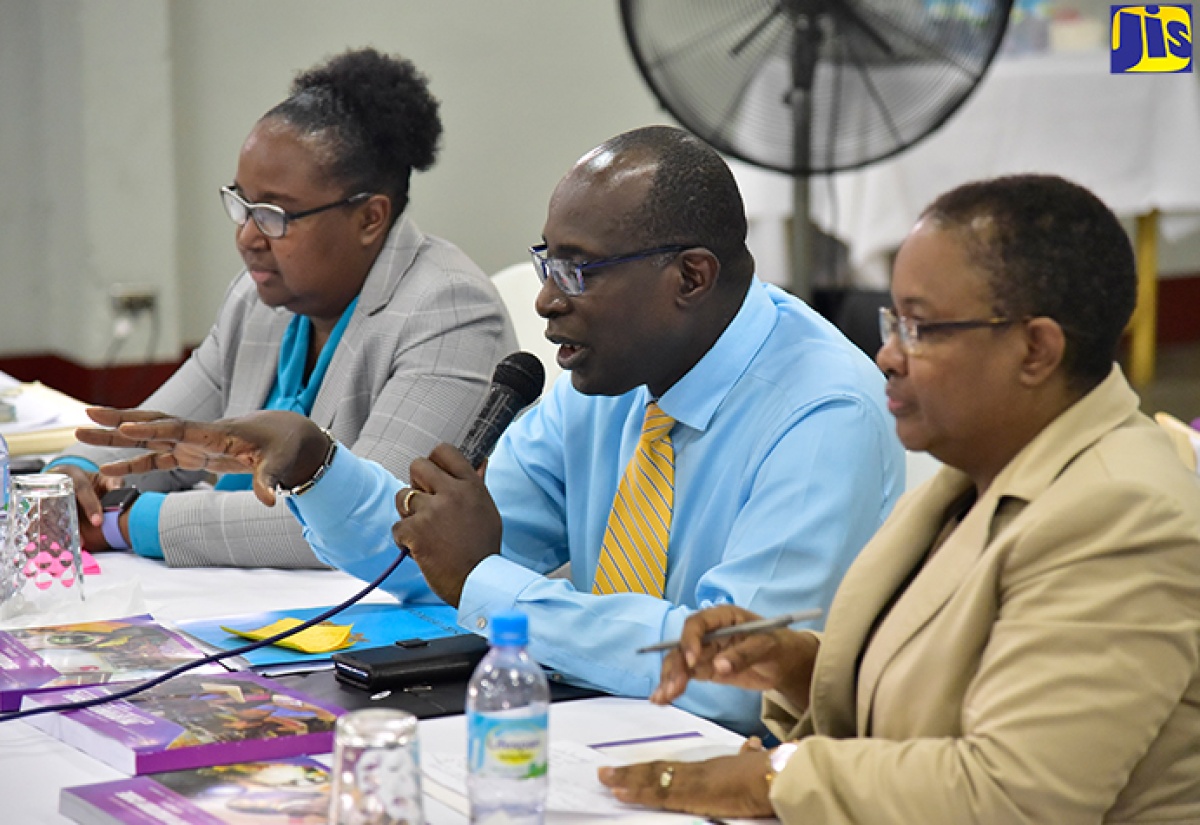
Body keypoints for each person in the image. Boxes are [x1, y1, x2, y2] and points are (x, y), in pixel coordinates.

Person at [78, 125, 904, 732]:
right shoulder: (607, 380)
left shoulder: (820, 413)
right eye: (547, 262)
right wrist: (317, 462)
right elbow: (443, 559)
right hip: (596, 730)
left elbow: (734, 681)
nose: (545, 300)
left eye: (575, 271)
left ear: (691, 276)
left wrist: (486, 577)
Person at [596, 175, 1200, 822]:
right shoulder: (971, 473)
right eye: (893, 321)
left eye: (921, 327)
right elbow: (947, 695)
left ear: (1036, 349)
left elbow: (1012, 795)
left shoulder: (1122, 513)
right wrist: (795, 664)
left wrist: (772, 775)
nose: (887, 354)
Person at [49, 47, 516, 568]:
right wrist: (71, 475)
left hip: (368, 623)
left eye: (274, 214)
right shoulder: (259, 300)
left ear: (370, 219)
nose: (247, 236)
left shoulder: (448, 311)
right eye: (241, 204)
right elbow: (154, 438)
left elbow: (371, 521)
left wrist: (127, 521)